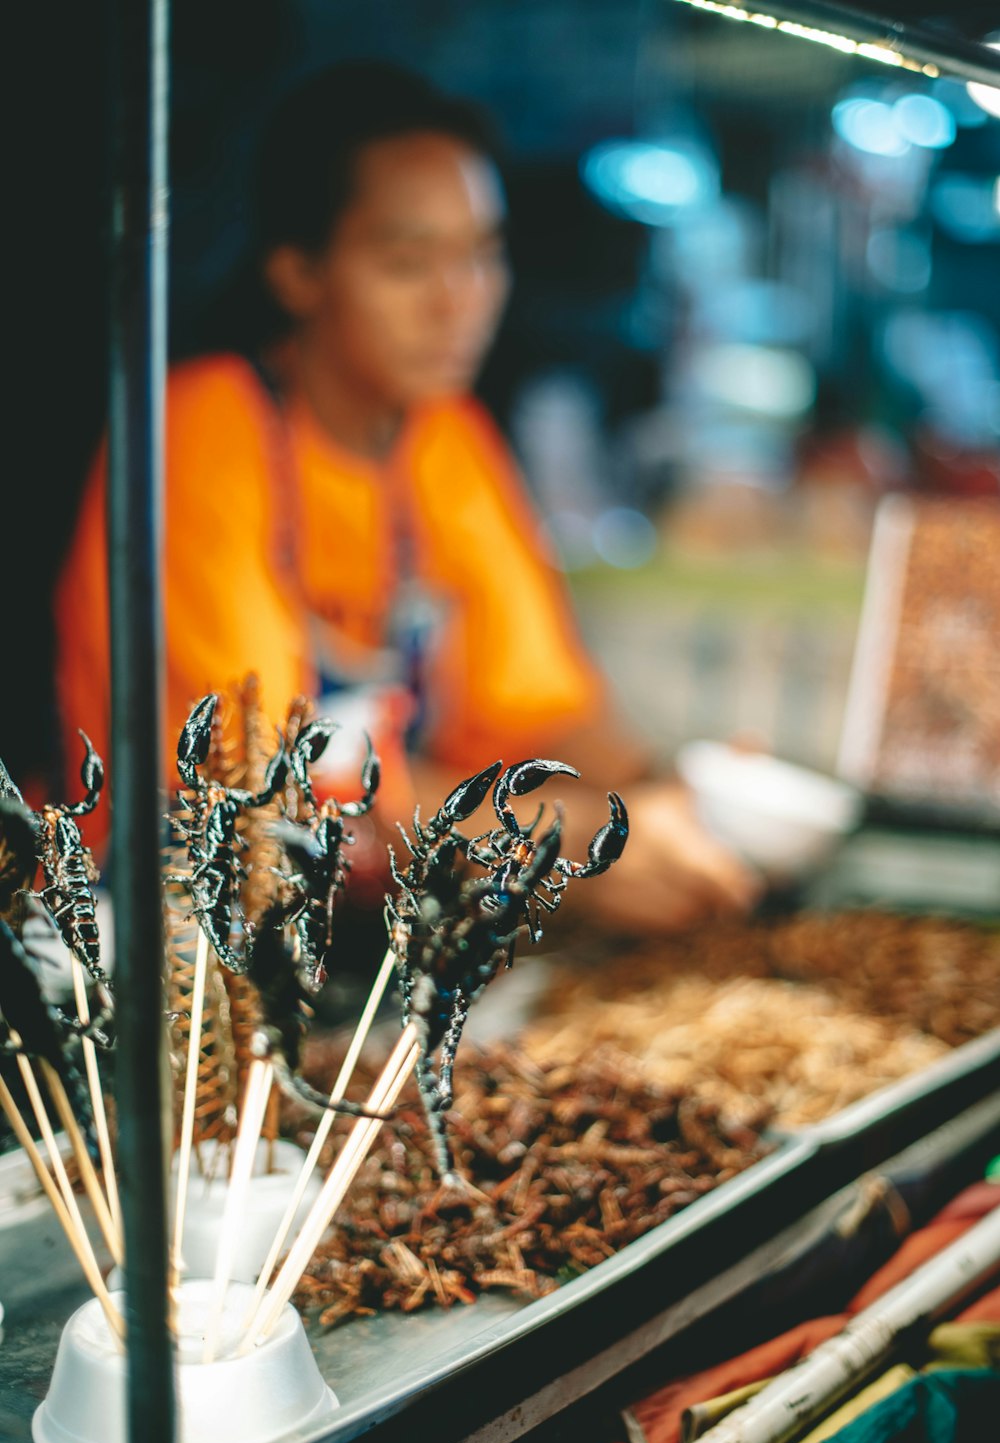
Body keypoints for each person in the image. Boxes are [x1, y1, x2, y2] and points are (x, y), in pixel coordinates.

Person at [56, 60, 758, 935]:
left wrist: (662, 797)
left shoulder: (444, 438)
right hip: (165, 946)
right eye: (406, 262)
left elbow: (545, 707)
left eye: (482, 253)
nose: (458, 302)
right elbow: (268, 802)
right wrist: (556, 851)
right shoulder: (199, 434)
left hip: (360, 937)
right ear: (297, 272)